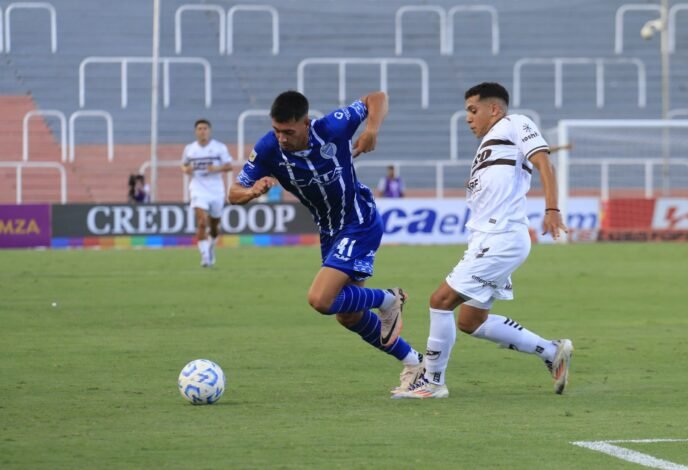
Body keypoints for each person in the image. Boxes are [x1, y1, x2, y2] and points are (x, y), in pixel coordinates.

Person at [228, 90, 424, 394]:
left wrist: (371, 129)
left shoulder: (332, 127)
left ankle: (389, 299)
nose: (281, 137)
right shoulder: (269, 148)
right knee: (348, 315)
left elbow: (378, 97)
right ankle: (415, 364)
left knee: (320, 300)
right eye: (277, 130)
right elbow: (233, 193)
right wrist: (253, 191)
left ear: (306, 123)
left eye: (288, 131)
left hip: (359, 220)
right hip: (330, 232)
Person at [393, 82, 573, 399]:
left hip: (501, 237)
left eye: (473, 110)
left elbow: (544, 161)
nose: (468, 118)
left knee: (440, 301)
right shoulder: (488, 146)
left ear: (494, 109)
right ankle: (551, 350)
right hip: (486, 239)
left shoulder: (514, 123)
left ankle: (432, 382)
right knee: (471, 321)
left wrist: (552, 208)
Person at [181, 119, 233, 267]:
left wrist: (216, 169)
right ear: (195, 132)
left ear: (209, 131)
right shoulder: (190, 149)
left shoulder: (219, 148)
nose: (202, 131)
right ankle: (204, 256)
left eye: (205, 128)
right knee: (202, 222)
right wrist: (186, 170)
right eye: (199, 128)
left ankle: (211, 246)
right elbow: (184, 165)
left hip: (216, 190)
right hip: (198, 188)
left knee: (215, 225)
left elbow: (229, 166)